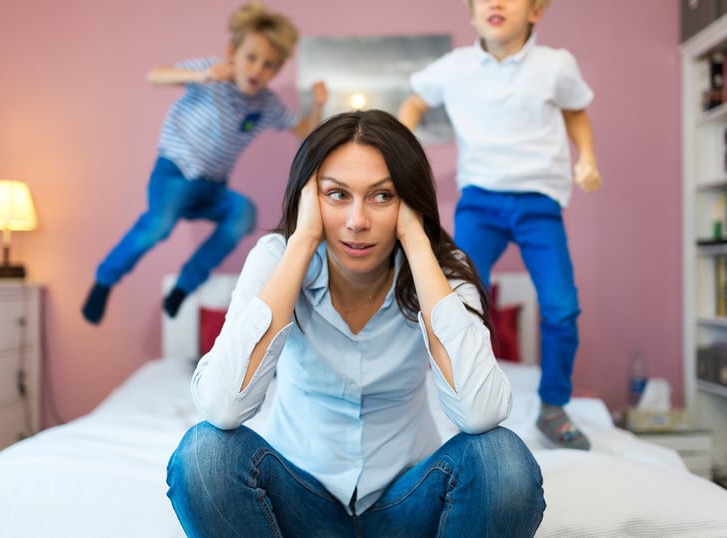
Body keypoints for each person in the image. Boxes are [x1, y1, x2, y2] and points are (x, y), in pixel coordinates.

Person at [165, 110, 545, 536]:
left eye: (382, 196)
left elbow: (480, 413)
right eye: (337, 195)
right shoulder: (277, 257)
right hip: (299, 503)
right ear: (310, 197)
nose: (357, 221)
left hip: (407, 505)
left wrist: (419, 243)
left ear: (409, 202)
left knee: (502, 459)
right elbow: (223, 405)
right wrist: (304, 239)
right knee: (204, 455)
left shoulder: (443, 272)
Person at [398, 0, 601, 450]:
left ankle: (553, 408)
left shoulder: (555, 65)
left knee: (562, 307)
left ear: (535, 11)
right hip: (479, 204)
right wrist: (401, 153)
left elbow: (575, 110)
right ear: (471, 15)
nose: (495, 2)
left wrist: (586, 157)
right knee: (459, 302)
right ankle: (466, 398)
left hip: (539, 203)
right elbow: (413, 101)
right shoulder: (455, 68)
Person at [82, 1, 328, 324]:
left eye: (268, 65)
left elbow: (304, 131)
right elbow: (155, 75)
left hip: (213, 187)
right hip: (173, 175)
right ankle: (104, 280)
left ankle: (183, 286)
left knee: (244, 213)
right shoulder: (212, 72)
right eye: (251, 58)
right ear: (232, 52)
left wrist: (319, 105)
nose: (257, 70)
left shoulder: (267, 104)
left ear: (277, 70)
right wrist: (202, 74)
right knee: (158, 227)